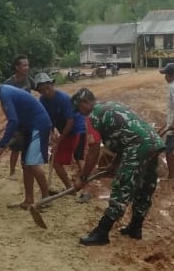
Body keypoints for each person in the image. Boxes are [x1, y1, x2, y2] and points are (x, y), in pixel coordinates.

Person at [70, 88, 163, 246]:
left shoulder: (93, 116)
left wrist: (83, 177)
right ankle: (135, 228)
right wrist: (114, 163)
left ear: (85, 103)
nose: (80, 113)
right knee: (144, 187)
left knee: (122, 187)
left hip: (137, 146)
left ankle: (101, 233)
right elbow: (124, 135)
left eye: (79, 109)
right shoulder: (112, 105)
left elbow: (93, 149)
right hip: (153, 142)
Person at [0, 71, 53, 209]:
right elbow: (16, 119)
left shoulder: (5, 93)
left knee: (33, 164)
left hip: (38, 125)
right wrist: (17, 132)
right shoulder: (4, 92)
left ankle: (46, 198)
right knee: (25, 164)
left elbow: (12, 120)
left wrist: (1, 144)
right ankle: (28, 200)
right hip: (29, 126)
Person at [34, 73, 84, 191]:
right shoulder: (42, 100)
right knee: (55, 161)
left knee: (79, 157)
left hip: (78, 129)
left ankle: (86, 187)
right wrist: (51, 135)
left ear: (52, 85)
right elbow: (47, 120)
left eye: (47, 88)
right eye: (41, 90)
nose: (45, 92)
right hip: (64, 131)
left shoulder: (63, 98)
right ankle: (69, 188)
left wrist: (59, 140)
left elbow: (70, 122)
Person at [2, 54, 35, 177]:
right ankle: (12, 172)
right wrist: (11, 120)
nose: (27, 67)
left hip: (29, 119)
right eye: (24, 65)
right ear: (17, 67)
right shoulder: (8, 83)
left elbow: (40, 88)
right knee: (16, 147)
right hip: (16, 119)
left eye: (28, 65)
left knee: (28, 146)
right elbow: (4, 105)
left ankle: (27, 169)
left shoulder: (29, 80)